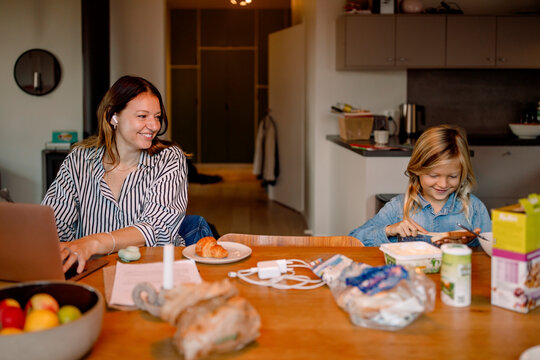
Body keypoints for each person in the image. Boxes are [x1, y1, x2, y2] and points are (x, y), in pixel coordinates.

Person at [42, 75, 188, 274]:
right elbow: (54, 225)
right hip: (89, 272)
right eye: (142, 116)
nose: (154, 126)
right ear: (113, 117)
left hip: (151, 271)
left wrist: (94, 242)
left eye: (157, 116)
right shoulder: (80, 160)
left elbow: (158, 227)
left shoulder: (168, 159)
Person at [349, 124, 491, 247]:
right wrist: (389, 230)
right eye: (434, 175)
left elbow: (494, 248)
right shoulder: (398, 208)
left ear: (463, 174)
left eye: (452, 176)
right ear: (417, 171)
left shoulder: (474, 209)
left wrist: (470, 243)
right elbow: (353, 239)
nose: (443, 184)